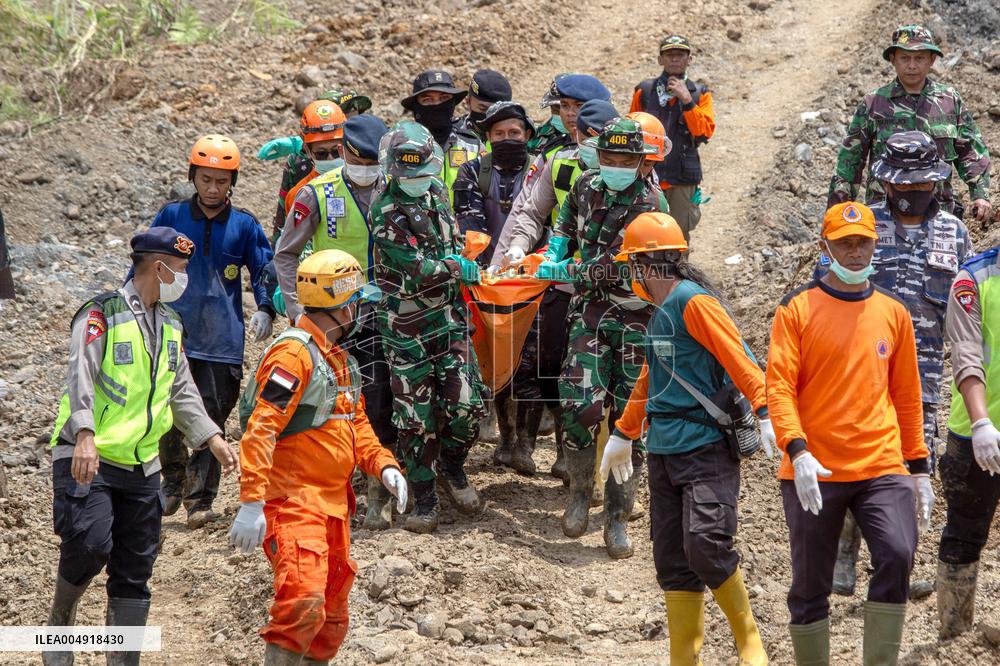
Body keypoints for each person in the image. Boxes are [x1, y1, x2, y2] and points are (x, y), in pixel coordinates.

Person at [43, 228, 238, 666]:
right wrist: (86, 434)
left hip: (142, 464)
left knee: (136, 567)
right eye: (182, 270)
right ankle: (60, 622)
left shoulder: (170, 323)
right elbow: (81, 375)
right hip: (88, 454)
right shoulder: (102, 314)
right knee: (90, 545)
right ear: (158, 267)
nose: (185, 278)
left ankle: (122, 659)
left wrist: (211, 437)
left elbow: (181, 389)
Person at [601, 212, 772, 665]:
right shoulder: (661, 313)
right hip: (662, 452)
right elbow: (650, 379)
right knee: (673, 562)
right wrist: (623, 432)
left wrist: (766, 409)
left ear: (643, 264)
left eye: (631, 264)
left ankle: (749, 640)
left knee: (707, 544)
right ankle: (684, 659)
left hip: (705, 447)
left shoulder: (694, 303)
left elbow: (740, 357)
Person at [766, 202, 933, 665]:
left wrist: (918, 467)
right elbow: (779, 386)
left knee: (898, 553)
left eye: (863, 243)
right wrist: (796, 451)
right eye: (845, 243)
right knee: (811, 582)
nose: (856, 252)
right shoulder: (797, 308)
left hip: (881, 464)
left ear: (875, 245)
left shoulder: (893, 312)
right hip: (814, 467)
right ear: (826, 247)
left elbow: (906, 394)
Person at [228, 250, 406, 665]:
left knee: (331, 617)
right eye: (357, 301)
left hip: (333, 508)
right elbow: (261, 428)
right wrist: (252, 502)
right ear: (344, 305)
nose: (361, 309)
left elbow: (356, 425)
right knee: (302, 601)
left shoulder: (340, 360)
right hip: (293, 503)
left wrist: (384, 465)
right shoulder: (294, 355)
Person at [823, 132, 971, 598]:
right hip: (857, 372)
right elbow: (824, 292)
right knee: (852, 461)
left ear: (936, 182)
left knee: (909, 469)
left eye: (921, 183)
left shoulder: (954, 231)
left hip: (922, 378)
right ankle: (843, 558)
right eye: (902, 184)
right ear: (885, 184)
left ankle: (894, 568)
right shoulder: (862, 229)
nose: (911, 192)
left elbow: (963, 310)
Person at [546, 117, 669, 559]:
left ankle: (618, 516)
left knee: (627, 418)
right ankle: (580, 492)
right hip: (591, 314)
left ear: (641, 162)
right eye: (609, 158)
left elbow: (634, 265)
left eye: (625, 160)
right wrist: (557, 247)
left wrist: (575, 270)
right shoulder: (586, 187)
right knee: (580, 403)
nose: (615, 166)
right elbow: (565, 223)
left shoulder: (652, 203)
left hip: (637, 315)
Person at [273, 113, 399, 529]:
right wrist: (296, 313)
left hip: (385, 310)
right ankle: (331, 484)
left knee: (379, 397)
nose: (366, 169)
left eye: (373, 161)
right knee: (331, 397)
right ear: (345, 153)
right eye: (359, 159)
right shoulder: (316, 194)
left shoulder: (398, 186)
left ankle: (377, 489)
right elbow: (287, 253)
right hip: (331, 314)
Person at [145, 134, 274, 529]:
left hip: (222, 341)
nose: (213, 188)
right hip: (173, 332)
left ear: (232, 181)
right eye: (205, 179)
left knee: (211, 415)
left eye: (221, 181)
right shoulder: (171, 217)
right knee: (165, 412)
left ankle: (200, 500)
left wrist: (267, 307)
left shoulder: (245, 224)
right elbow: (144, 262)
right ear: (193, 177)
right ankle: (172, 481)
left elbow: (265, 269)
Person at [491, 93, 618, 482]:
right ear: (576, 134)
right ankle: (568, 451)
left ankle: (601, 470)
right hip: (563, 285)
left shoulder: (635, 174)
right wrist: (514, 250)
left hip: (615, 292)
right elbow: (532, 212)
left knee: (611, 379)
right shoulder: (559, 165)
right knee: (550, 364)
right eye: (589, 139)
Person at [370, 121, 489, 533]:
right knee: (413, 417)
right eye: (411, 176)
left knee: (467, 406)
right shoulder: (384, 209)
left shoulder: (437, 192)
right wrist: (459, 267)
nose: (419, 181)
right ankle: (425, 499)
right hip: (406, 328)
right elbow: (419, 269)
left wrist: (462, 257)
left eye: (424, 173)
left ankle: (453, 466)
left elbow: (450, 242)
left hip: (450, 321)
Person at [828, 25, 992, 222]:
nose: (912, 65)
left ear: (932, 60)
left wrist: (980, 195)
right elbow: (850, 162)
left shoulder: (949, 101)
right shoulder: (874, 103)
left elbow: (971, 151)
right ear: (893, 60)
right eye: (905, 58)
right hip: (884, 216)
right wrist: (837, 213)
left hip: (938, 216)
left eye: (919, 58)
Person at [453, 101, 536, 472]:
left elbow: (547, 220)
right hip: (488, 282)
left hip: (535, 278)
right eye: (499, 133)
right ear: (487, 137)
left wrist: (532, 262)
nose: (507, 139)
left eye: (514, 133)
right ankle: (505, 438)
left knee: (535, 361)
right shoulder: (471, 173)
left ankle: (527, 445)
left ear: (528, 135)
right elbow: (471, 226)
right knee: (499, 356)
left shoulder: (540, 172)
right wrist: (489, 268)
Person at [937, 242, 1000, 639]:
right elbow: (966, 353)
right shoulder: (974, 278)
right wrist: (981, 424)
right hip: (978, 432)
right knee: (964, 533)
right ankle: (954, 637)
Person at [630, 35, 715, 240]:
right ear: (661, 59)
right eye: (669, 55)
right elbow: (632, 128)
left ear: (689, 59)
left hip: (682, 176)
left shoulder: (699, 94)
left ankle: (678, 271)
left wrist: (687, 101)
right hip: (647, 175)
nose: (674, 59)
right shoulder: (645, 91)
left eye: (680, 55)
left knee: (678, 234)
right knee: (645, 231)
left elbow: (704, 132)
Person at [260, 90, 371, 240]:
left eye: (356, 117)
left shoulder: (369, 162)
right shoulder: (300, 165)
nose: (356, 128)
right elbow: (286, 215)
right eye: (321, 152)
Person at [401, 69, 484, 204]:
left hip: (466, 223)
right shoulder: (402, 149)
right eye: (428, 99)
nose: (437, 105)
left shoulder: (473, 146)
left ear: (453, 103)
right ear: (416, 107)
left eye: (444, 98)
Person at [279, 101, 348, 229]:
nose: (330, 159)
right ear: (308, 150)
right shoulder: (299, 196)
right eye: (321, 154)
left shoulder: (362, 185)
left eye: (336, 151)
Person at [452, 68, 513, 139]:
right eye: (483, 108)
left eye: (496, 110)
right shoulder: (453, 134)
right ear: (468, 102)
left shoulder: (516, 137)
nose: (489, 115)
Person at [526, 74, 571, 160]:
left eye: (566, 107)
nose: (561, 114)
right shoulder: (538, 136)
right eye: (556, 108)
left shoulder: (594, 136)